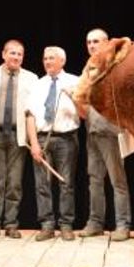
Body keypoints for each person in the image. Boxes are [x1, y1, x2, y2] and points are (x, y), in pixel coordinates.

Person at [0, 39, 38, 238]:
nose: (16, 57)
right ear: (4, 54)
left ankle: (11, 223)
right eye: (12, 53)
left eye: (20, 54)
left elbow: (33, 111)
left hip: (18, 135)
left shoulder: (31, 78)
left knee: (14, 183)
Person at [80, 28, 132, 241]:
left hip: (110, 132)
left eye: (96, 41)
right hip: (92, 130)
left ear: (107, 43)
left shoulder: (114, 67)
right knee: (94, 179)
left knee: (117, 180)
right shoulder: (89, 68)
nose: (92, 45)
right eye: (89, 42)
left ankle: (123, 224)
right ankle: (95, 222)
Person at [25, 46, 80, 241]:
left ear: (62, 61)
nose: (47, 62)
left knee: (66, 184)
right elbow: (30, 115)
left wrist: (73, 96)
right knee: (42, 184)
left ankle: (66, 224)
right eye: (45, 58)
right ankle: (47, 225)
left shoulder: (75, 81)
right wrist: (34, 144)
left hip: (67, 138)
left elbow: (85, 112)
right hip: (42, 138)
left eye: (51, 58)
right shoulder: (38, 84)